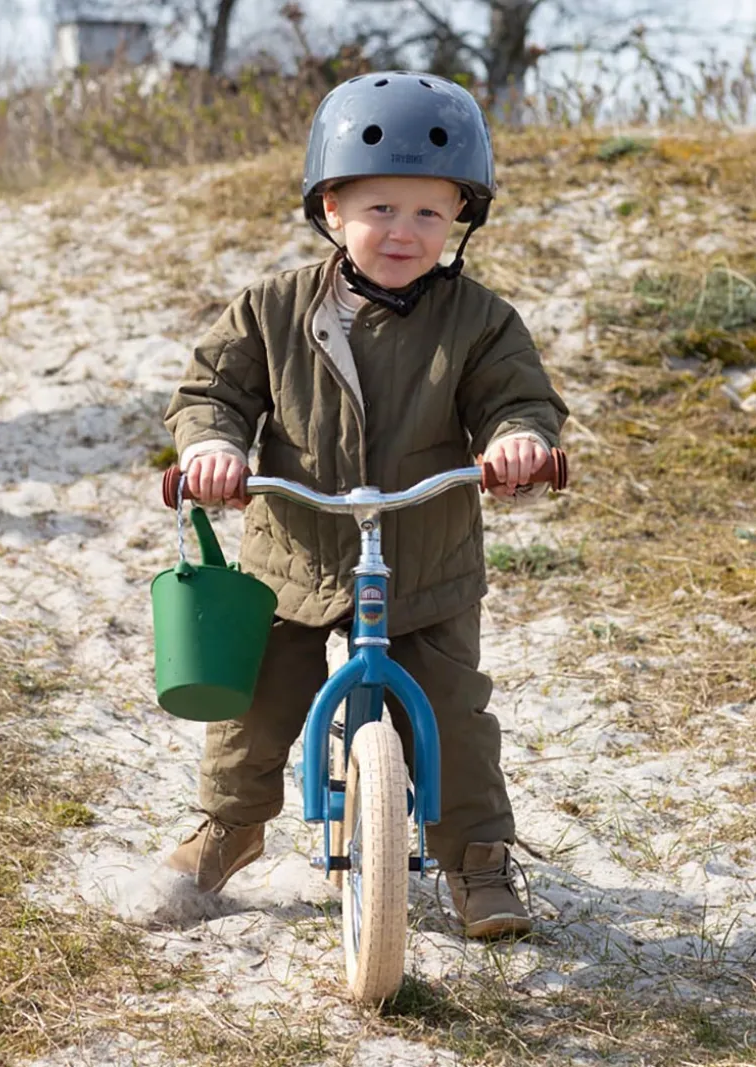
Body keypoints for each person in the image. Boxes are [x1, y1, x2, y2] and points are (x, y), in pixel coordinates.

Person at [161, 71, 569, 939]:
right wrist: (212, 448)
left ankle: (478, 859)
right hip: (296, 551)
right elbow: (213, 391)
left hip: (425, 558)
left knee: (452, 712)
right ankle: (228, 825)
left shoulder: (479, 321)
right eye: (380, 208)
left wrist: (517, 440)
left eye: (429, 212)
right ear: (331, 208)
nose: (404, 232)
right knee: (257, 700)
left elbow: (517, 398)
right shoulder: (272, 309)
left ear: (460, 217)